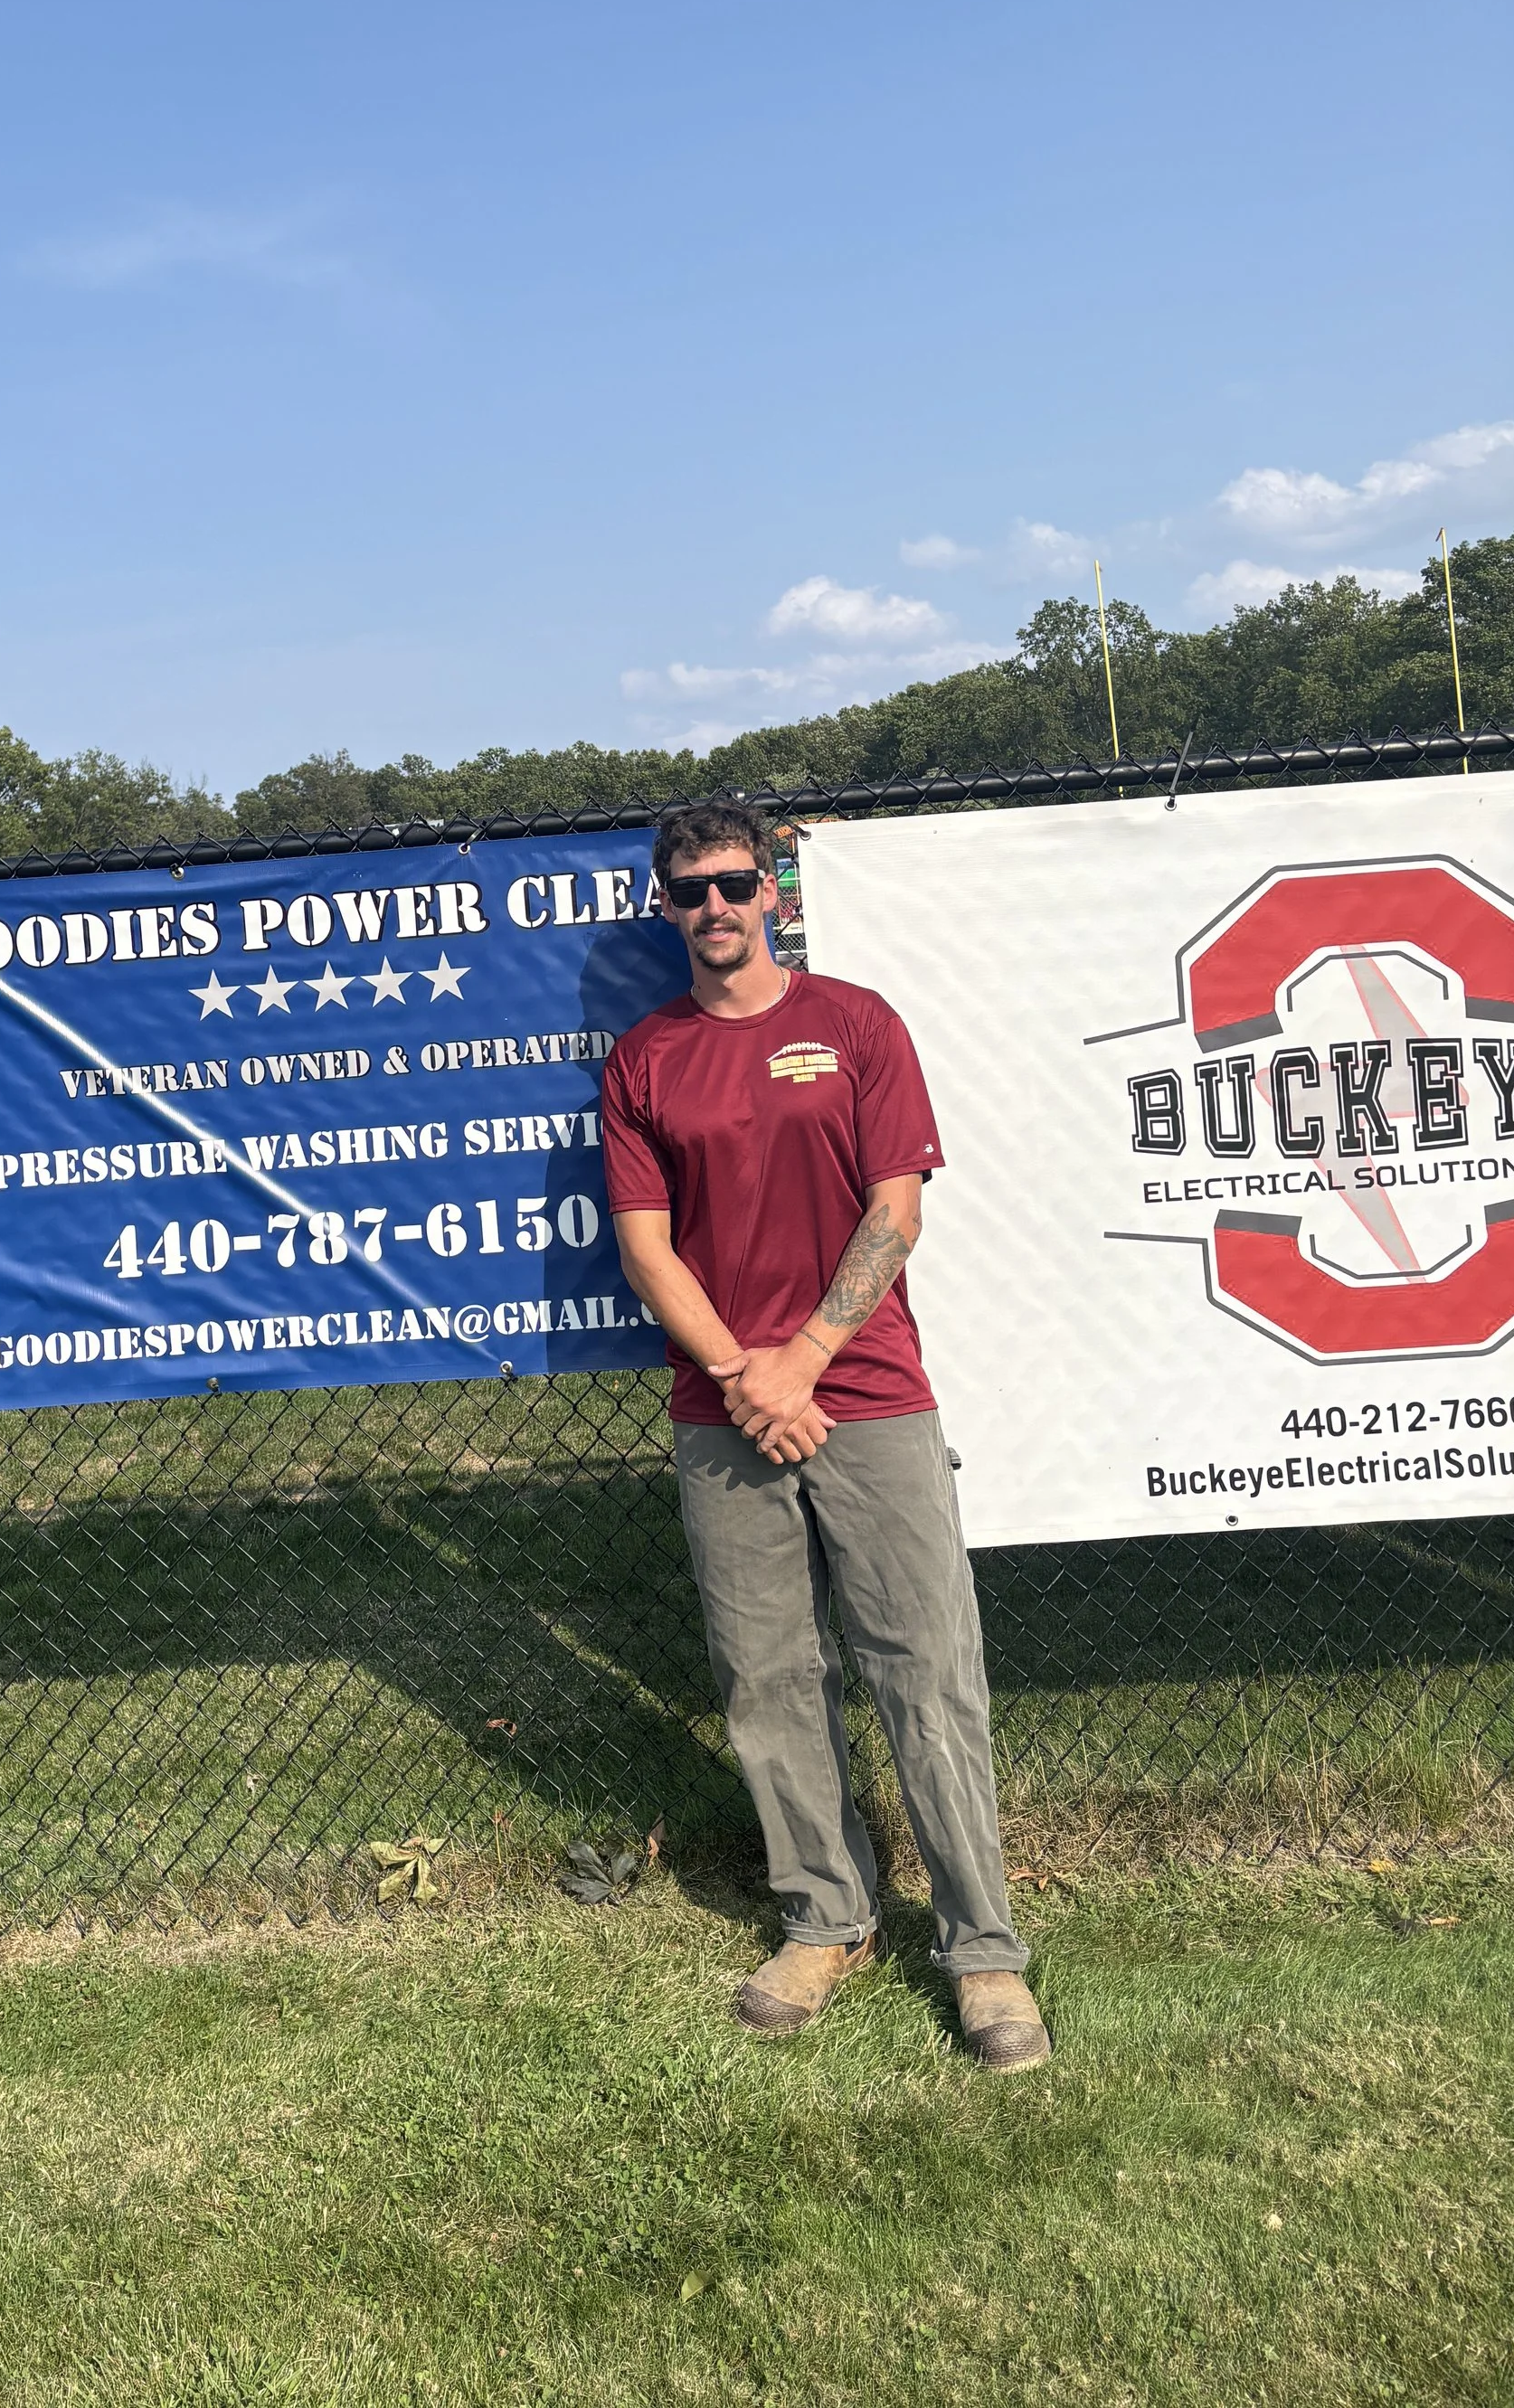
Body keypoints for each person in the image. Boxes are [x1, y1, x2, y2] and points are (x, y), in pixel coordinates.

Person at [599, 798, 1050, 2072]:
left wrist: (801, 1360)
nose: (716, 909)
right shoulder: (644, 1059)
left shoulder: (855, 1025)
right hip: (721, 1410)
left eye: (735, 884)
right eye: (690, 892)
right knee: (767, 1680)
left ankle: (983, 1950)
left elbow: (895, 1213)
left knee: (928, 1673)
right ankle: (825, 1920)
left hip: (870, 1393)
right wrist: (747, 1375)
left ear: (772, 891)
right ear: (665, 905)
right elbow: (648, 1249)